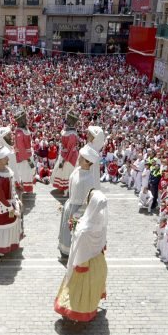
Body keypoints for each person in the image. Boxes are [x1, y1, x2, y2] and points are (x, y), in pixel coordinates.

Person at [55, 189, 108, 322]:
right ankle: (91, 306)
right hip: (98, 261)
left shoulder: (85, 230)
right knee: (93, 287)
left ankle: (77, 312)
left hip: (84, 263)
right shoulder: (101, 221)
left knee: (80, 290)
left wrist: (74, 228)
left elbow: (80, 249)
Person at [58, 124, 103, 256]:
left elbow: (89, 192)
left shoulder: (89, 175)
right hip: (72, 203)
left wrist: (78, 213)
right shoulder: (78, 169)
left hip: (79, 205)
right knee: (66, 230)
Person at [0, 126, 22, 255]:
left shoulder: (7, 171)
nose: (8, 159)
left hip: (10, 202)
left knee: (11, 223)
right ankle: (1, 248)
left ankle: (7, 245)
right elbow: (0, 197)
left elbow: (11, 189)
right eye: (5, 158)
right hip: (4, 206)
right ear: (0, 161)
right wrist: (11, 208)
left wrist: (16, 200)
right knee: (4, 225)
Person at [52, 109, 80, 195]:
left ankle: (67, 188)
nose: (66, 120)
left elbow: (71, 150)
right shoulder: (68, 131)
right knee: (63, 171)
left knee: (68, 172)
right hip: (64, 154)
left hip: (69, 157)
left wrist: (64, 160)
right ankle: (64, 187)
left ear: (71, 121)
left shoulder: (72, 134)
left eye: (68, 119)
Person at [13, 108, 35, 193]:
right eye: (24, 119)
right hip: (24, 158)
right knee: (24, 173)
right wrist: (28, 159)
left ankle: (27, 189)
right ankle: (23, 189)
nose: (26, 120)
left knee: (28, 174)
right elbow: (21, 148)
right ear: (20, 121)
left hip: (28, 154)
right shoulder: (19, 132)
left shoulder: (24, 129)